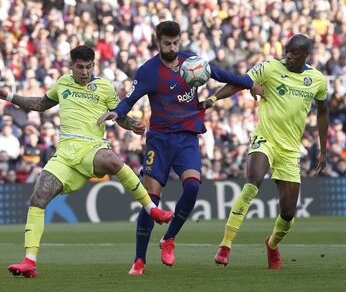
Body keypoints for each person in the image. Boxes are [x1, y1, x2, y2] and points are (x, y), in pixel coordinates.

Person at [0, 45, 173, 278]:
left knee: (112, 161)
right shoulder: (63, 83)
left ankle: (151, 209)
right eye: (80, 67)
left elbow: (119, 115)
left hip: (92, 147)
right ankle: (30, 261)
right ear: (71, 66)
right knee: (38, 196)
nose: (84, 72)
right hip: (65, 154)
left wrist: (133, 124)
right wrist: (9, 96)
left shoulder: (104, 86)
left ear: (94, 65)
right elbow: (41, 104)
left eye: (89, 67)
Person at [97, 21, 263, 275]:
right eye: (167, 43)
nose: (172, 48)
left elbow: (222, 75)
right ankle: (139, 260)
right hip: (160, 141)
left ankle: (169, 239)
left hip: (187, 138)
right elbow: (129, 100)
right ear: (158, 42)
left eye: (176, 43)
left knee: (193, 186)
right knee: (150, 202)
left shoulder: (192, 63)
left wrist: (249, 83)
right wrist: (116, 113)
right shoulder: (148, 72)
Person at [204, 34, 329, 269]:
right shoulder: (270, 67)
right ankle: (225, 245)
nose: (288, 55)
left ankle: (272, 244)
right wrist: (213, 98)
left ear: (305, 55)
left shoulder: (317, 80)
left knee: (289, 214)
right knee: (252, 183)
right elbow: (239, 82)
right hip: (265, 138)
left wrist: (323, 150)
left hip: (290, 149)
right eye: (286, 51)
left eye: (293, 52)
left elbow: (323, 113)